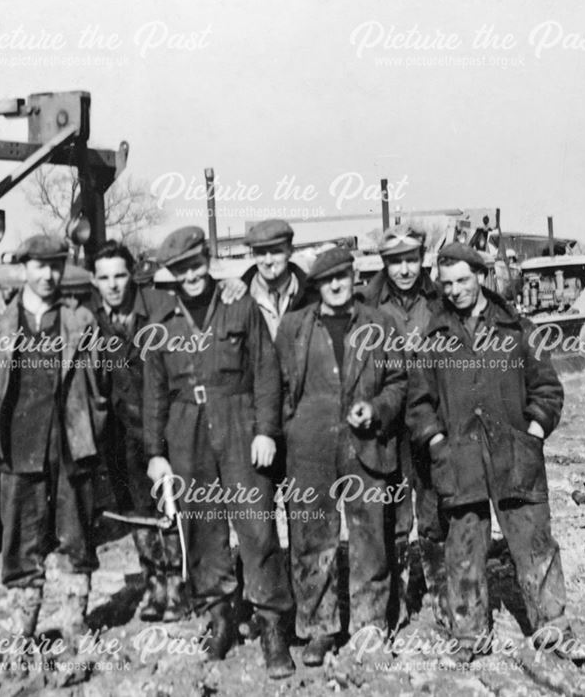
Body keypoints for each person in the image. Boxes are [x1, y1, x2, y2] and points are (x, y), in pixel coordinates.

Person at [406, 242, 585, 664]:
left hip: (514, 454)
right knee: (464, 547)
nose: (455, 291)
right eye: (447, 283)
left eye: (463, 280)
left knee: (534, 541)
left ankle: (553, 626)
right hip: (460, 459)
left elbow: (547, 388)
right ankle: (470, 635)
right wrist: (436, 442)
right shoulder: (433, 339)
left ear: (481, 276)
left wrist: (533, 433)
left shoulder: (517, 328)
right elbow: (419, 405)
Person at [142, 226, 296, 679]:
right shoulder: (161, 320)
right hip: (186, 429)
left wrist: (266, 430)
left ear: (207, 260)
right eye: (180, 268)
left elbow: (267, 371)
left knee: (257, 528)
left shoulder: (239, 303)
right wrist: (155, 452)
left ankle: (271, 627)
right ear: (172, 273)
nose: (191, 275)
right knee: (202, 529)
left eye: (196, 264)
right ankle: (220, 616)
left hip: (238, 420)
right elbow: (154, 393)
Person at [275, 247, 408, 666]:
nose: (335, 285)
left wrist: (377, 409)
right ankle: (318, 628)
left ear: (354, 277)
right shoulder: (294, 326)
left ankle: (369, 626)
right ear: (316, 285)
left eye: (342, 276)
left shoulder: (380, 323)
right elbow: (277, 387)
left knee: (370, 538)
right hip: (309, 447)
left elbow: (399, 382)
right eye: (326, 279)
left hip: (363, 443)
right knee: (312, 540)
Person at [0, 234, 107, 639]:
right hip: (20, 442)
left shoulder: (80, 321)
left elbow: (99, 381)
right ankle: (22, 627)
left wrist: (91, 430)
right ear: (24, 268)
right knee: (20, 538)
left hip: (70, 442)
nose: (48, 274)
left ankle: (74, 623)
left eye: (55, 265)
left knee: (77, 535)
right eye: (39, 266)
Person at [87, 241, 186, 622]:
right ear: (95, 281)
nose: (113, 285)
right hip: (118, 433)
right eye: (105, 277)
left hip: (158, 425)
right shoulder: (90, 320)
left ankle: (177, 588)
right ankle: (152, 587)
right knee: (136, 513)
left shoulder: (157, 309)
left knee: (167, 509)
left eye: (120, 275)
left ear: (133, 275)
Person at [359, 225, 441, 617]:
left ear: (422, 258)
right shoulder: (368, 305)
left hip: (432, 419)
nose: (405, 270)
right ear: (384, 264)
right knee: (393, 514)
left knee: (434, 508)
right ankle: (394, 599)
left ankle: (438, 592)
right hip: (389, 426)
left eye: (411, 260)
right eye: (396, 262)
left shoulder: (438, 301)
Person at [240, 219, 315, 339]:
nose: (268, 261)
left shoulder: (313, 295)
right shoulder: (238, 298)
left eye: (276, 252)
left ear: (290, 251)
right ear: (253, 254)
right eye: (261, 253)